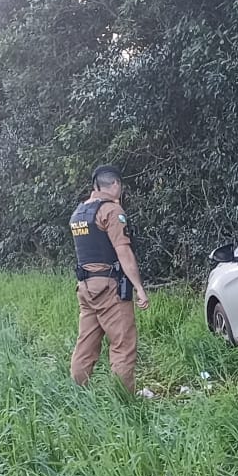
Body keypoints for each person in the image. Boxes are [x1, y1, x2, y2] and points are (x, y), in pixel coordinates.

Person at [68, 165, 150, 395]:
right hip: (109, 287)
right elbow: (123, 252)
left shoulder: (79, 213)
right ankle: (124, 403)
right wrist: (139, 288)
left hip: (85, 287)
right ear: (115, 185)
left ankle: (77, 395)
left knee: (85, 344)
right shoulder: (111, 211)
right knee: (123, 344)